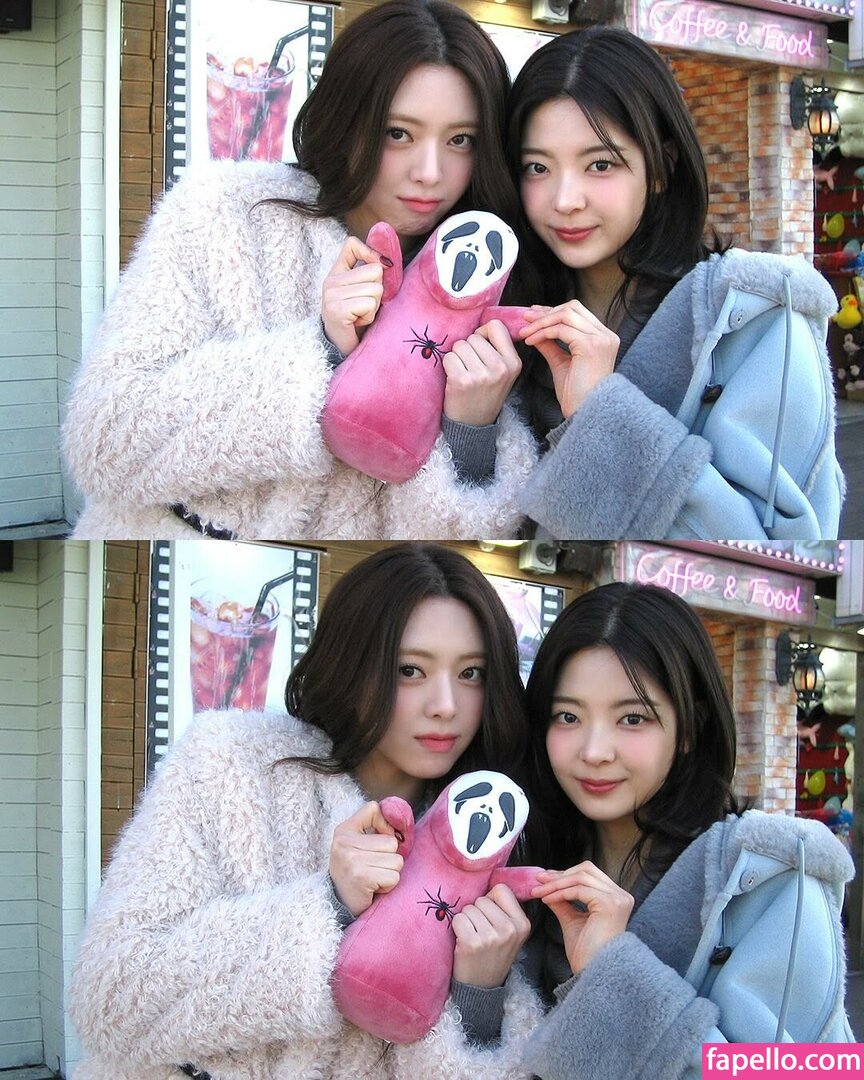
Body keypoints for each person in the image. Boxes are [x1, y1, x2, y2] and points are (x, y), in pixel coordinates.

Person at [62, 0, 537, 541]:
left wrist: (469, 431)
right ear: (349, 119)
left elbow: (438, 536)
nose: (430, 172)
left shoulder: (484, 280)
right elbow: (103, 440)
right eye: (397, 133)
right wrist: (323, 353)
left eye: (460, 140)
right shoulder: (224, 212)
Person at [68, 543, 543, 1079]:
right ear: (353, 663)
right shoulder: (228, 763)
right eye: (410, 669)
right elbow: (109, 998)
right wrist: (330, 906)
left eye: (472, 673)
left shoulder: (491, 836)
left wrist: (477, 998)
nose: (446, 706)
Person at [504, 26, 844, 540]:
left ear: (661, 167)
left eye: (600, 164)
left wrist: (602, 418)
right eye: (537, 167)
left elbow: (777, 551)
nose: (565, 199)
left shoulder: (756, 324)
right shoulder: (508, 318)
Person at [517, 581, 854, 1080]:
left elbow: (813, 1072)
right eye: (568, 716)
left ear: (690, 729)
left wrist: (612, 970)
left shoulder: (769, 882)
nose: (594, 751)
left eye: (632, 718)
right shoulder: (530, 871)